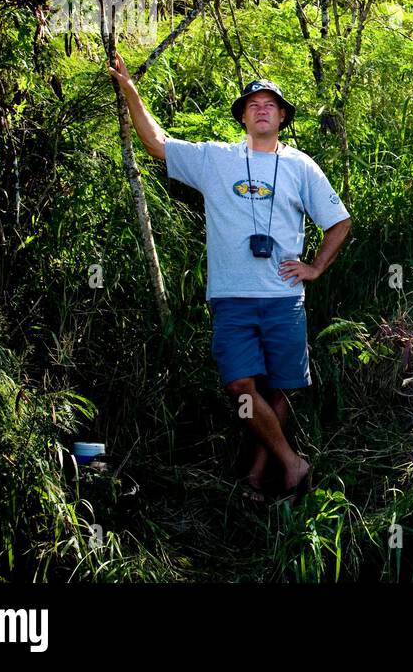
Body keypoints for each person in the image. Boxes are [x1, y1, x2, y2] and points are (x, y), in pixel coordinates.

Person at [107, 52, 351, 501]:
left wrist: (315, 267)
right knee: (240, 387)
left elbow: (339, 222)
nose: (262, 108)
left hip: (283, 298)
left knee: (278, 389)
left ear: (281, 117)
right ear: (242, 116)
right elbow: (157, 143)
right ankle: (294, 463)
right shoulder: (216, 160)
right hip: (231, 297)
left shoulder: (300, 166)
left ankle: (260, 478)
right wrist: (131, 91)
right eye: (253, 103)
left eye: (270, 104)